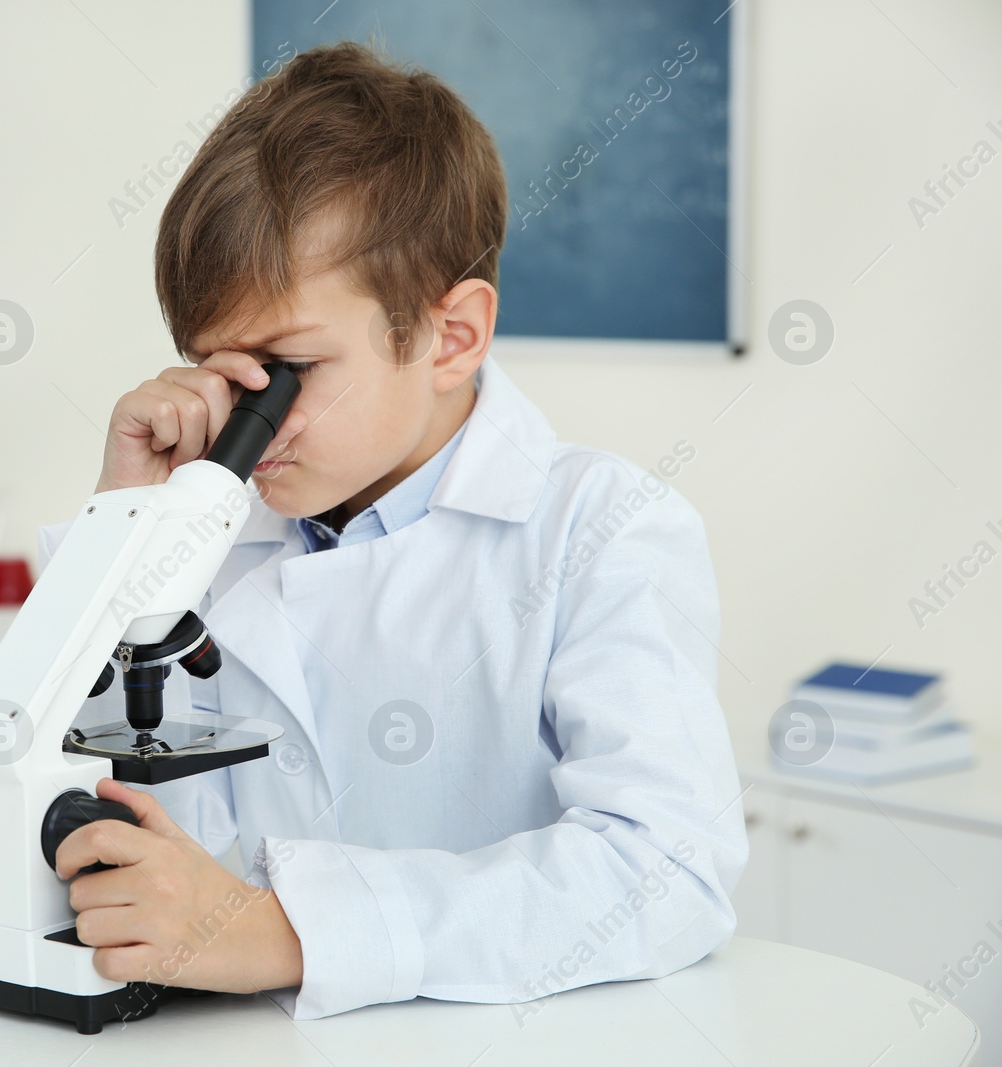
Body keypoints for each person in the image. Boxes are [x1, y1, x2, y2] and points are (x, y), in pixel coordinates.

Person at [45, 43, 747, 1019]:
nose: (250, 419)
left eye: (288, 369)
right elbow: (49, 783)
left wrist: (292, 929)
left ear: (449, 337)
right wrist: (124, 534)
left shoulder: (599, 528)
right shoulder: (192, 523)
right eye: (218, 372)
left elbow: (667, 869)